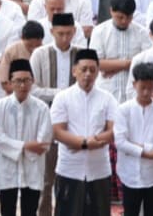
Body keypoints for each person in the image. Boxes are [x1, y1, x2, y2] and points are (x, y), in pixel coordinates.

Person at [50, 48, 116, 216]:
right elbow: (57, 131)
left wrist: (92, 141)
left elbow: (114, 130)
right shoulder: (62, 97)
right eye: (83, 69)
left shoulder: (107, 98)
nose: (88, 74)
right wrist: (85, 143)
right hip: (69, 168)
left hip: (99, 169)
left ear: (98, 72)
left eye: (92, 70)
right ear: (74, 71)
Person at [0, 58, 52, 216]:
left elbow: (43, 143)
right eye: (18, 81)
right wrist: (26, 146)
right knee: (7, 211)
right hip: (7, 168)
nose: (23, 85)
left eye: (26, 80)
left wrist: (24, 147)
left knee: (30, 211)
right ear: (10, 82)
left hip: (33, 167)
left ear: (33, 81)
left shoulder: (42, 108)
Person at [115, 61, 153, 216]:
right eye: (143, 88)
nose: (147, 92)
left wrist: (136, 146)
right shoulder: (123, 110)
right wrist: (146, 151)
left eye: (150, 87)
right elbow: (120, 141)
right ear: (134, 84)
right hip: (129, 173)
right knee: (130, 212)